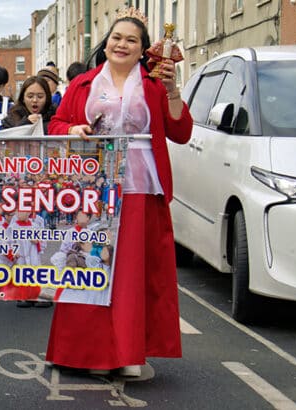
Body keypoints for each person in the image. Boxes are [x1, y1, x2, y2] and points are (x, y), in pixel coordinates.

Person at [45, 7, 192, 377]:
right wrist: (72, 130)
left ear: (143, 49)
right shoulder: (82, 85)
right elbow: (56, 124)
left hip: (142, 186)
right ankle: (84, 352)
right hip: (94, 187)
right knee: (90, 263)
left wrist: (174, 92)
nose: (122, 44)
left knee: (129, 272)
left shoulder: (156, 85)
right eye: (116, 37)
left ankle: (127, 354)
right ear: (105, 43)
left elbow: (181, 131)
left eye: (131, 40)